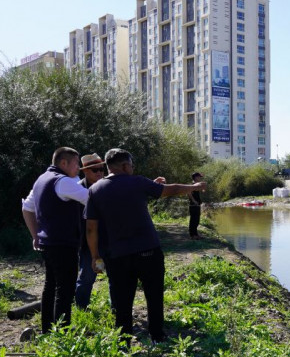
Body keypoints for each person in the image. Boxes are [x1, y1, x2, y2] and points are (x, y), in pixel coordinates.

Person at [85, 148, 206, 344]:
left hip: (116, 255)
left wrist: (94, 256)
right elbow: (171, 189)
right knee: (154, 294)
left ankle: (123, 341)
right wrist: (194, 187)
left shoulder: (95, 190)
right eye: (131, 165)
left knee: (122, 299)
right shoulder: (138, 182)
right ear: (125, 166)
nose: (132, 169)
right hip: (148, 251)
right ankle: (157, 335)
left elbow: (91, 228)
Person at [21, 147, 89, 333]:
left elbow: (27, 208)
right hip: (63, 243)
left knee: (50, 287)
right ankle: (62, 336)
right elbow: (91, 199)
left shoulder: (41, 180)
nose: (79, 168)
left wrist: (35, 235)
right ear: (63, 163)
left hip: (48, 244)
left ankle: (47, 331)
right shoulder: (63, 181)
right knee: (65, 290)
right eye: (76, 164)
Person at [74, 153, 106, 309]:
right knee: (87, 277)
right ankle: (81, 309)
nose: (100, 172)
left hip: (109, 240)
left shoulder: (107, 185)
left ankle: (117, 311)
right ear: (85, 171)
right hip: (87, 243)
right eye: (95, 170)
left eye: (102, 169)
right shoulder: (77, 190)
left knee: (116, 277)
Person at [187, 172, 204, 240]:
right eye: (199, 177)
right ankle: (192, 235)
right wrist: (194, 201)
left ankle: (196, 235)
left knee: (197, 220)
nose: (200, 178)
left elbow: (202, 190)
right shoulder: (192, 185)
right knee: (193, 220)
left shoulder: (196, 185)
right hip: (193, 205)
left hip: (197, 205)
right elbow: (188, 193)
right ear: (196, 177)